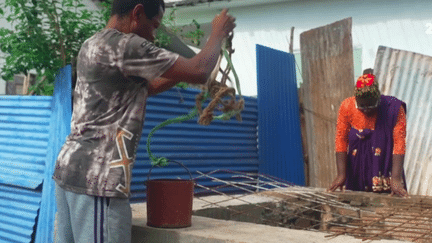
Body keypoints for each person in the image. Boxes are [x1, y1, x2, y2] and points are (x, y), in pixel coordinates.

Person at [53, 0, 236, 242]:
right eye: (154, 25)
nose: (153, 34)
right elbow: (199, 70)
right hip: (97, 180)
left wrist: (179, 72)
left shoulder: (94, 43)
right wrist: (218, 33)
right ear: (137, 13)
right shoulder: (125, 45)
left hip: (70, 170)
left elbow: (145, 89)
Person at [328, 69, 409, 198]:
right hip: (356, 172)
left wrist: (396, 179)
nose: (366, 110)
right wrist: (341, 174)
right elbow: (341, 139)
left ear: (379, 98)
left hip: (384, 168)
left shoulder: (394, 109)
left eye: (371, 106)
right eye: (361, 106)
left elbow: (399, 143)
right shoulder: (347, 107)